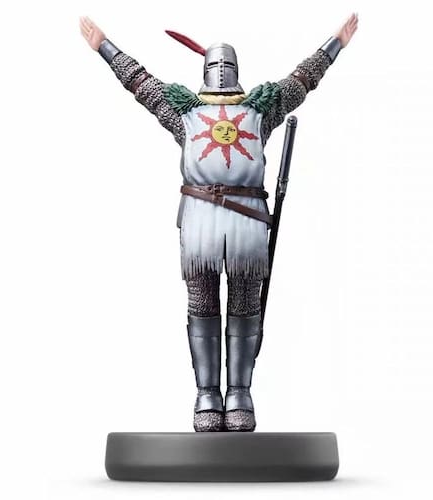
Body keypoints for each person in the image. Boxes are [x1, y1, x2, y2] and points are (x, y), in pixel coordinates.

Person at [80, 14, 358, 432]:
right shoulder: (202, 111)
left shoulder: (249, 109)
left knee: (240, 306)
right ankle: (210, 395)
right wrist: (105, 46)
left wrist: (335, 43)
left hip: (237, 227)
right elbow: (140, 82)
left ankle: (236, 394)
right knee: (205, 306)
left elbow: (302, 80)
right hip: (205, 226)